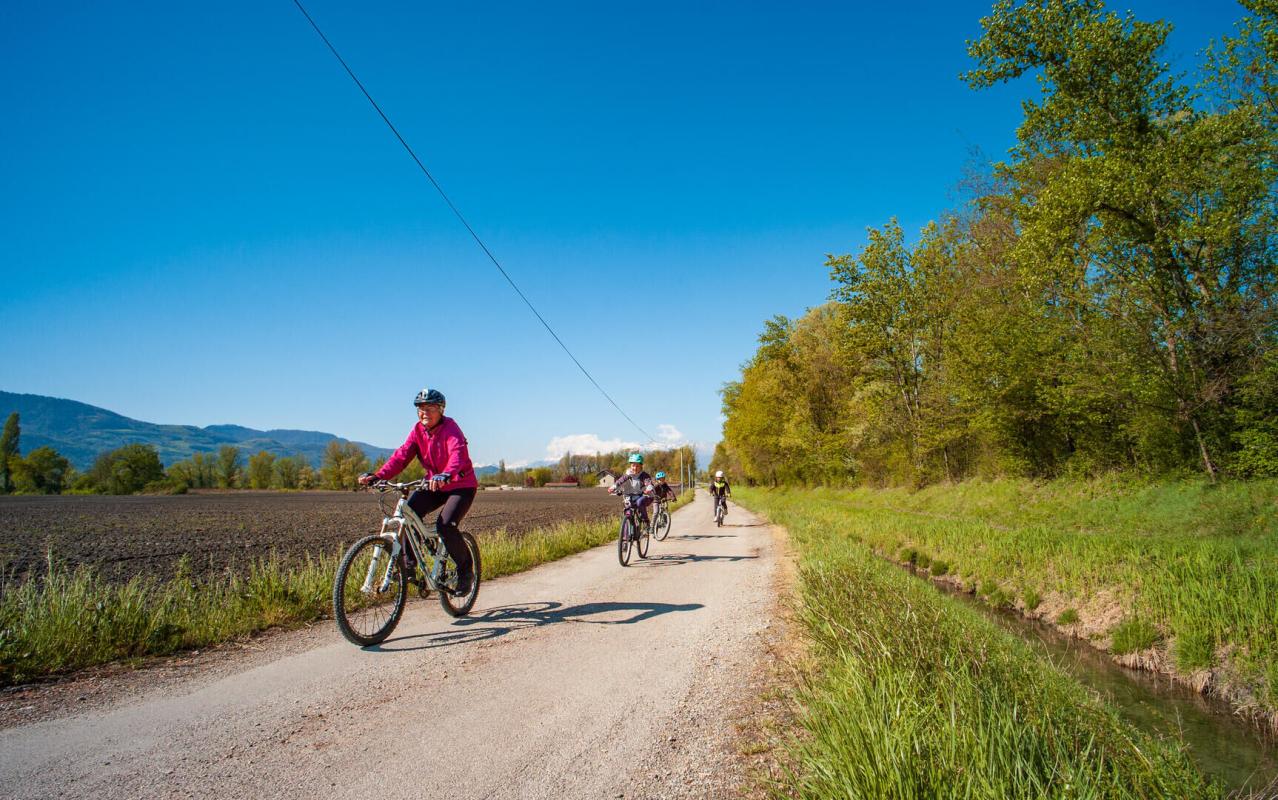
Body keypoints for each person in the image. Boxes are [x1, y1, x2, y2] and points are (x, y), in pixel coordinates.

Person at [359, 388, 477, 595]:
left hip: (460, 484)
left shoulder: (451, 428)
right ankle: (409, 565)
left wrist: (446, 474)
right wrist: (379, 476)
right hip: (432, 484)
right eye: (420, 409)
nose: (424, 413)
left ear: (441, 410)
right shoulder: (417, 431)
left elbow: (457, 454)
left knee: (446, 525)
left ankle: (466, 572)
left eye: (430, 408)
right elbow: (401, 456)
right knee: (408, 513)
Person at [610, 453, 656, 534]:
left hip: (644, 496)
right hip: (630, 496)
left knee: (639, 503)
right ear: (630, 466)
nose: (635, 468)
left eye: (637, 466)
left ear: (641, 466)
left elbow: (648, 483)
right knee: (627, 512)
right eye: (633, 465)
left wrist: (648, 488)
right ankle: (626, 538)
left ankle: (646, 522)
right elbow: (620, 481)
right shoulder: (628, 475)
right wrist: (613, 487)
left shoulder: (644, 475)